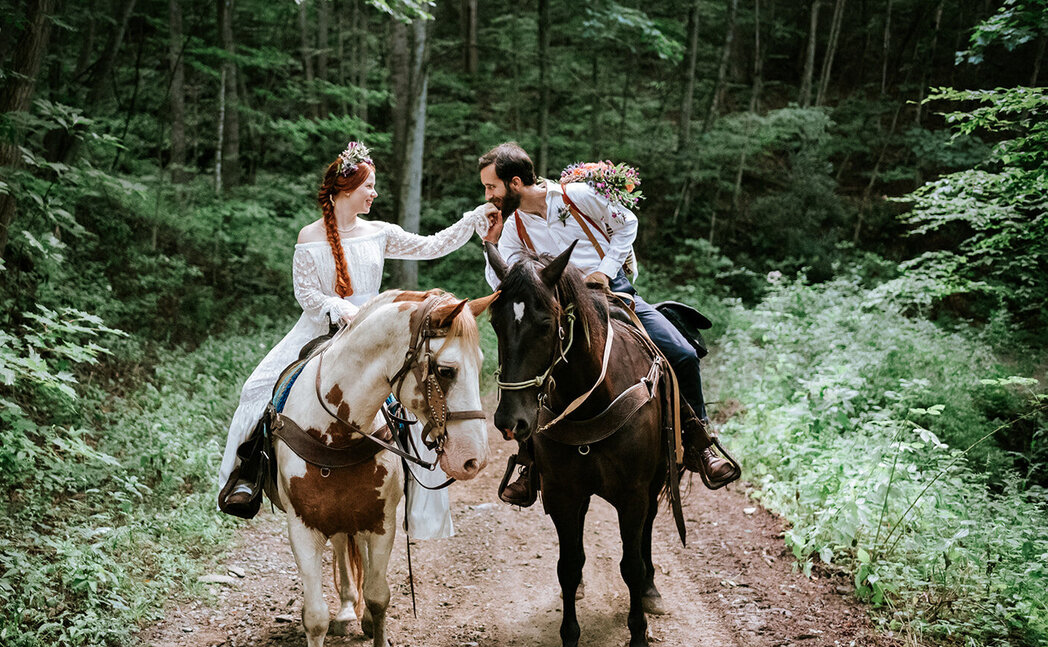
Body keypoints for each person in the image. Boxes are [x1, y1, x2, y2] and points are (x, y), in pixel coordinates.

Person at [217, 142, 500, 521]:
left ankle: (416, 499)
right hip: (320, 327)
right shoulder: (309, 236)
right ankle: (246, 478)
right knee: (256, 389)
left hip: (376, 333)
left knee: (416, 397)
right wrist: (336, 306)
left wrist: (472, 219)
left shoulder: (379, 232)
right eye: (369, 186)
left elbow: (432, 246)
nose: (374, 193)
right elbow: (306, 294)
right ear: (346, 188)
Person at [477, 141, 737, 505]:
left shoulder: (577, 196)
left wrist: (604, 270)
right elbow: (504, 283)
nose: (488, 196)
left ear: (516, 183)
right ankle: (528, 463)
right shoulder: (513, 225)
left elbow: (627, 223)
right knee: (527, 361)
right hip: (562, 309)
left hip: (612, 294)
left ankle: (700, 443)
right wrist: (489, 244)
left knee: (681, 354)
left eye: (492, 187)